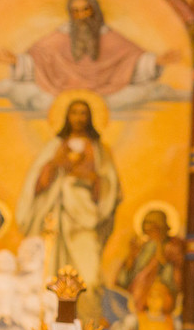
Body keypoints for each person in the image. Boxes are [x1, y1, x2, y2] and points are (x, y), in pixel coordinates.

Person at [0, 0, 176, 108]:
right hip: (61, 91)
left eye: (85, 10)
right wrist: (17, 61)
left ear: (94, 11)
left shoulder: (109, 37)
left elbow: (132, 58)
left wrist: (155, 62)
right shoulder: (60, 36)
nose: (80, 16)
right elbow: (39, 56)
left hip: (105, 93)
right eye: (75, 12)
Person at [15, 98, 122, 302]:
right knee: (51, 270)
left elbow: (111, 187)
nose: (79, 118)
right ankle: (49, 318)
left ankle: (87, 319)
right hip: (56, 212)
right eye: (74, 112)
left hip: (85, 215)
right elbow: (37, 182)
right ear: (66, 117)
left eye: (83, 113)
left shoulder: (100, 150)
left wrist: (91, 178)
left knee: (88, 277)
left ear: (90, 117)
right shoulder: (55, 146)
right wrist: (54, 166)